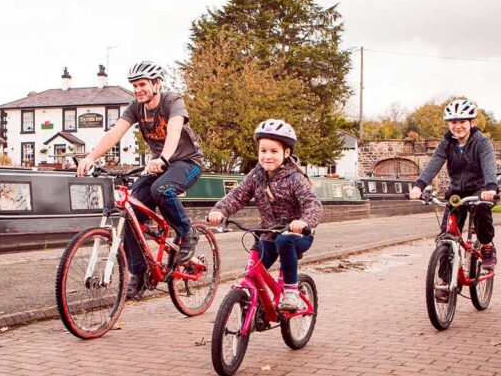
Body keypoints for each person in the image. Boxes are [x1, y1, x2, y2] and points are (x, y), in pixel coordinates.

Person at [78, 61, 206, 296]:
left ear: (156, 84)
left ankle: (187, 232)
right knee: (129, 214)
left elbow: (175, 131)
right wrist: (90, 157)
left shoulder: (172, 101)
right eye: (135, 85)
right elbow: (115, 133)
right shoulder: (135, 107)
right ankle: (139, 273)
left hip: (187, 162)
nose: (138, 90)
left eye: (142, 84)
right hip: (159, 165)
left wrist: (164, 158)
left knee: (162, 189)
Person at [207, 120, 323, 312]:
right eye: (263, 151)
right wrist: (220, 210)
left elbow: (313, 204)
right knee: (253, 273)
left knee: (285, 241)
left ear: (286, 153)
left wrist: (303, 222)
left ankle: (291, 291)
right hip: (268, 234)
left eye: (274, 151)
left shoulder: (295, 178)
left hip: (298, 236)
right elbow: (238, 195)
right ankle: (254, 306)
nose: (267, 156)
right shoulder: (257, 175)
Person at [408, 99, 500, 284]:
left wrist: (490, 187)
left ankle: (487, 246)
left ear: (471, 123)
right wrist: (419, 185)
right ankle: (445, 282)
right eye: (453, 122)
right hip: (457, 192)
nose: (458, 127)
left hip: (479, 190)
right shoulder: (446, 144)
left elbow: (489, 165)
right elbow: (434, 163)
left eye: (462, 122)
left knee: (482, 214)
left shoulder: (481, 142)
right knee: (446, 236)